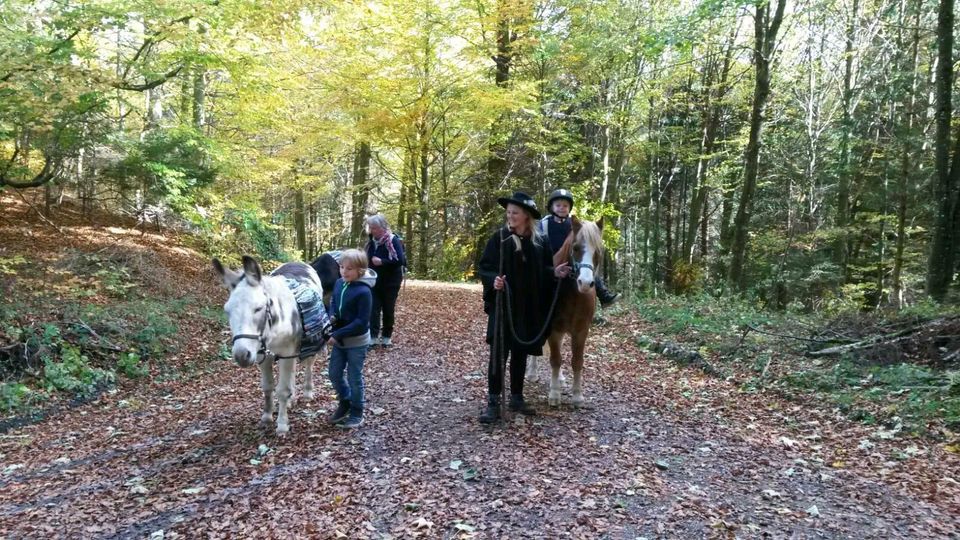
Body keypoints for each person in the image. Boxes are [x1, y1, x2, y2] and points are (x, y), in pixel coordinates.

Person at [477, 191, 572, 423]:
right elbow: (486, 267)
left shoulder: (540, 242)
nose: (510, 216)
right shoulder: (499, 238)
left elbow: (544, 271)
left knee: (520, 350)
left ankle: (517, 397)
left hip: (527, 306)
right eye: (508, 212)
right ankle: (493, 400)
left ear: (526, 216)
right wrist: (494, 281)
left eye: (515, 213)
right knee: (499, 353)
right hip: (504, 306)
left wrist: (555, 272)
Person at [537, 188, 619, 307]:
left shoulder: (575, 224)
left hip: (571, 261)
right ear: (552, 207)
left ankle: (603, 294)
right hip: (550, 262)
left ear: (569, 208)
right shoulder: (544, 224)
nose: (561, 208)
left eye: (565, 205)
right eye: (558, 205)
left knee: (586, 265)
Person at [326, 249, 376, 429]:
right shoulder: (340, 283)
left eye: (349, 269)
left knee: (354, 377)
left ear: (360, 271)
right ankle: (345, 400)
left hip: (356, 343)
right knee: (334, 373)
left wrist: (337, 334)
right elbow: (333, 303)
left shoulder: (364, 291)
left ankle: (357, 411)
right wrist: (331, 317)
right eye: (341, 267)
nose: (344, 271)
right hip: (339, 341)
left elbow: (361, 322)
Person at [364, 214, 405, 349]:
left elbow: (400, 260)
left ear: (382, 228)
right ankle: (373, 338)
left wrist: (382, 261)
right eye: (370, 227)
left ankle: (387, 337)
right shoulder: (371, 241)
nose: (372, 230)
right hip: (374, 280)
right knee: (373, 309)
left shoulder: (392, 240)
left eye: (374, 228)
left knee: (388, 308)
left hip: (391, 281)